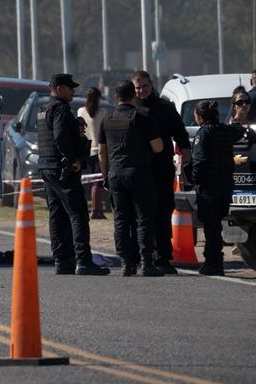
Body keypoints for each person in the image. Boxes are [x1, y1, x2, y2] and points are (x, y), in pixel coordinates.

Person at [38, 73, 109, 275]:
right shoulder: (60, 109)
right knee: (77, 213)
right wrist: (73, 159)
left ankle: (62, 261)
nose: (73, 91)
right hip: (62, 169)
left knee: (57, 215)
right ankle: (83, 261)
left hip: (48, 167)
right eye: (70, 88)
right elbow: (60, 136)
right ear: (59, 88)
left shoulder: (43, 109)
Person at [97, 80, 164, 276]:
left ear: (116, 97)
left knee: (121, 220)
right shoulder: (140, 117)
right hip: (138, 173)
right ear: (133, 96)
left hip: (115, 174)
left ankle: (126, 264)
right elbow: (158, 146)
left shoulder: (107, 119)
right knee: (143, 219)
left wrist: (105, 175)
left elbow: (102, 152)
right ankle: (146, 263)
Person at [131, 70, 191, 273]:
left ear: (152, 85)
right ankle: (143, 256)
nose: (140, 91)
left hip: (162, 168)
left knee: (163, 213)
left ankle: (163, 257)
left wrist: (186, 155)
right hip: (139, 170)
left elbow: (180, 134)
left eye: (144, 87)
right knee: (141, 215)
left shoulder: (164, 108)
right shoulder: (130, 109)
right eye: (137, 88)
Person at [188, 100, 247, 275]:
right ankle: (215, 261)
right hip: (225, 184)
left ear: (199, 117)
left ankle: (213, 263)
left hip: (209, 187)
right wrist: (237, 119)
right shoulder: (225, 130)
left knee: (211, 227)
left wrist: (195, 181)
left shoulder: (203, 134)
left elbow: (199, 161)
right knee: (216, 226)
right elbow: (239, 131)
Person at [77, 86, 107, 219]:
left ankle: (88, 208)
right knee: (98, 182)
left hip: (85, 150)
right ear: (99, 98)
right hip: (98, 150)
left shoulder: (80, 111)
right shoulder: (103, 113)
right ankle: (96, 210)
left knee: (86, 181)